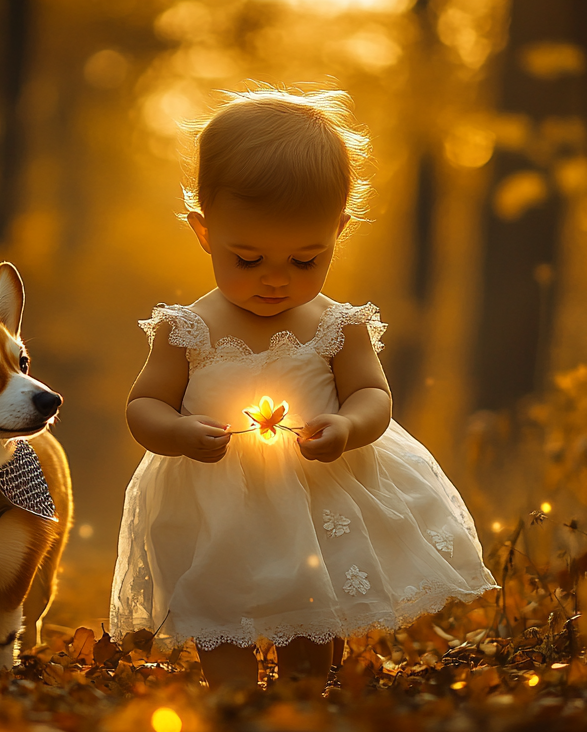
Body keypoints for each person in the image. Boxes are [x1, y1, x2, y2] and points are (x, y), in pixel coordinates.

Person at [109, 85, 497, 690]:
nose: (274, 280)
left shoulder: (338, 326)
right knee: (221, 611)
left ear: (338, 231)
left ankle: (305, 693)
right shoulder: (186, 329)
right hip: (216, 505)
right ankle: (232, 700)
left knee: (316, 608)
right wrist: (178, 431)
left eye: (305, 260)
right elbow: (143, 406)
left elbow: (375, 396)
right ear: (205, 232)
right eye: (248, 258)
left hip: (318, 495)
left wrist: (347, 426)